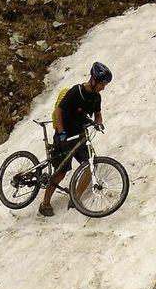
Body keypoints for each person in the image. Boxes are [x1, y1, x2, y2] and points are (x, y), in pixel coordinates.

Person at [38, 61, 112, 216]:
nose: (103, 87)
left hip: (79, 135)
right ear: (93, 80)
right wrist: (61, 132)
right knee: (60, 171)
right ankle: (45, 204)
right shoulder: (75, 92)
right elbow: (59, 111)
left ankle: (75, 198)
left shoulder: (96, 97)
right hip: (64, 135)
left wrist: (99, 123)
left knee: (90, 165)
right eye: (102, 84)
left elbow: (97, 114)